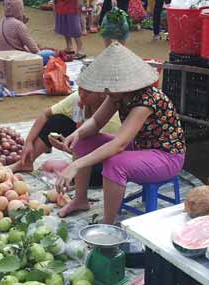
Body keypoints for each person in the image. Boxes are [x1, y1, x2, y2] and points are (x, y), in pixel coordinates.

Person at [54, 43, 186, 224]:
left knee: (115, 163)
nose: (107, 91)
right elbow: (96, 122)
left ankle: (108, 226)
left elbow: (119, 145)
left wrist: (76, 165)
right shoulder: (118, 95)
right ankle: (80, 200)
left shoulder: (146, 101)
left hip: (167, 156)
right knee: (82, 141)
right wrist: (78, 134)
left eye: (111, 87)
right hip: (139, 147)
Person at [11, 86, 122, 185]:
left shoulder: (112, 119)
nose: (82, 95)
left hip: (105, 155)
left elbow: (107, 152)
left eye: (88, 93)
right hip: (84, 143)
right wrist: (29, 142)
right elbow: (45, 115)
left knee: (94, 175)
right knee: (56, 120)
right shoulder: (78, 98)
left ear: (102, 95)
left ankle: (73, 181)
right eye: (80, 89)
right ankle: (25, 163)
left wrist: (70, 151)